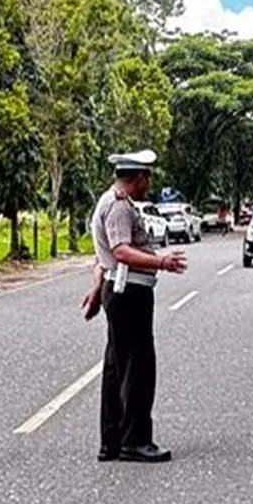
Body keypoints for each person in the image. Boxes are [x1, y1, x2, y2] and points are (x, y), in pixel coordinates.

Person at [80, 150, 187, 463]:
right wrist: (161, 262)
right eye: (147, 178)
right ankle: (135, 440)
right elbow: (121, 251)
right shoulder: (118, 206)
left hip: (120, 290)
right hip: (128, 294)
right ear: (138, 178)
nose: (148, 185)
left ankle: (112, 441)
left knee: (117, 368)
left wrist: (98, 291)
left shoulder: (113, 202)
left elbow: (103, 260)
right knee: (138, 368)